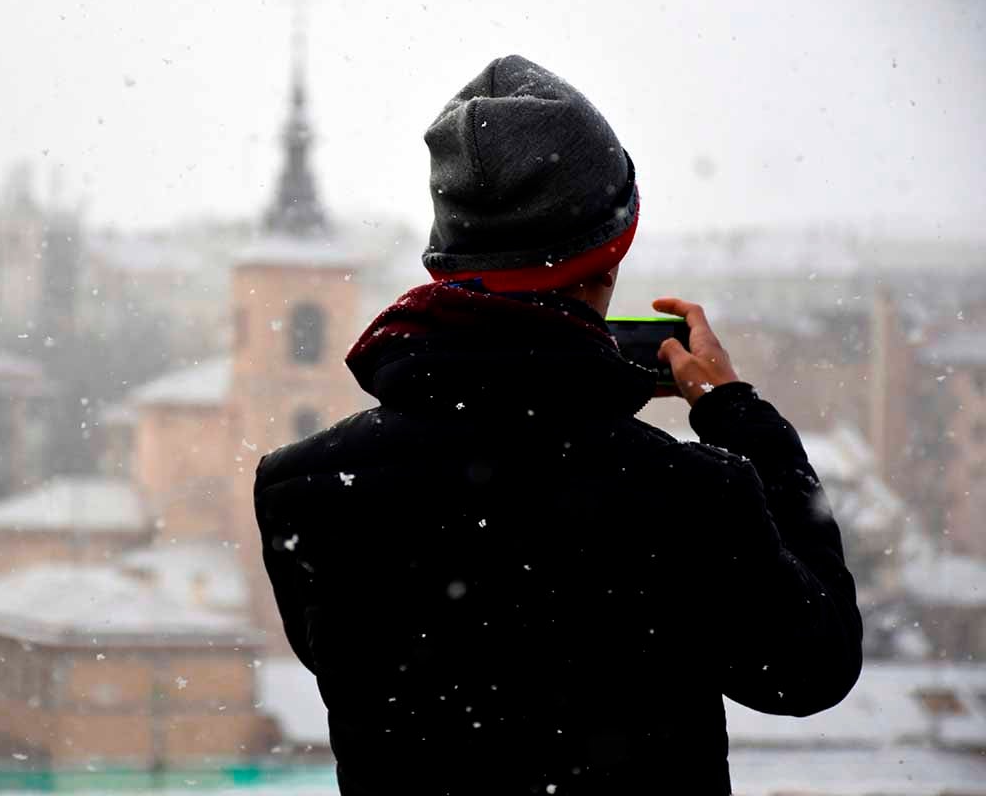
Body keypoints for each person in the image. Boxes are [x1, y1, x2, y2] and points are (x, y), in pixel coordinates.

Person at [253, 54, 862, 795]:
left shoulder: (306, 487)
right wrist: (737, 414)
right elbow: (810, 670)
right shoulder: (689, 492)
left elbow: (359, 667)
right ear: (609, 261)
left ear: (448, 262)